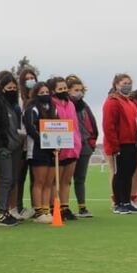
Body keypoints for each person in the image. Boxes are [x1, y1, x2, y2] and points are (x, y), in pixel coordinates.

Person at [102, 74, 137, 215]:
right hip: (120, 144)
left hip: (133, 142)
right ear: (116, 85)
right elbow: (109, 126)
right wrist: (115, 146)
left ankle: (126, 201)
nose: (127, 85)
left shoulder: (131, 102)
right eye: (124, 83)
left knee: (129, 173)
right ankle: (118, 203)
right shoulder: (112, 102)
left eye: (129, 83)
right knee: (119, 173)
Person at [0, 71, 23, 226]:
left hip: (14, 148)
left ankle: (6, 211)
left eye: (14, 88)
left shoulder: (12, 105)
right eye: (9, 88)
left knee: (12, 180)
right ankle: (0, 213)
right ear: (2, 88)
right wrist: (1, 146)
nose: (12, 90)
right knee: (5, 179)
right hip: (1, 149)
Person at [23, 82, 58, 222]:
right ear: (35, 94)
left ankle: (46, 210)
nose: (45, 95)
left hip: (51, 150)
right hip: (37, 149)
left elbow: (59, 127)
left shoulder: (53, 108)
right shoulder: (32, 109)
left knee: (49, 182)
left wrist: (56, 144)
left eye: (47, 92)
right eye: (41, 93)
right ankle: (38, 212)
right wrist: (45, 142)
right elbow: (31, 129)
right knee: (39, 181)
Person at [49, 76, 83, 221]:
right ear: (53, 91)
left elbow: (75, 126)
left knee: (66, 180)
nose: (63, 91)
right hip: (58, 147)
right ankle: (54, 207)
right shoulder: (51, 105)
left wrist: (77, 142)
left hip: (72, 146)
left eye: (65, 88)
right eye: (60, 89)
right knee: (55, 180)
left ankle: (65, 206)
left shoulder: (71, 104)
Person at [68, 76, 98, 218]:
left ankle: (82, 207)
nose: (79, 92)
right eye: (76, 90)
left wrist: (91, 142)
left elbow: (92, 124)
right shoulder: (65, 105)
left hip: (84, 146)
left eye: (81, 90)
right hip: (69, 146)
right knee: (65, 179)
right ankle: (63, 207)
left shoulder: (85, 106)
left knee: (80, 178)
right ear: (69, 91)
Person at [13, 67, 38, 219]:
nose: (30, 81)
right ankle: (18, 207)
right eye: (27, 79)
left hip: (36, 144)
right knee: (19, 177)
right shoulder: (18, 99)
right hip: (21, 144)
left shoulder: (38, 99)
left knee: (36, 178)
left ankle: (37, 207)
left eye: (32, 78)